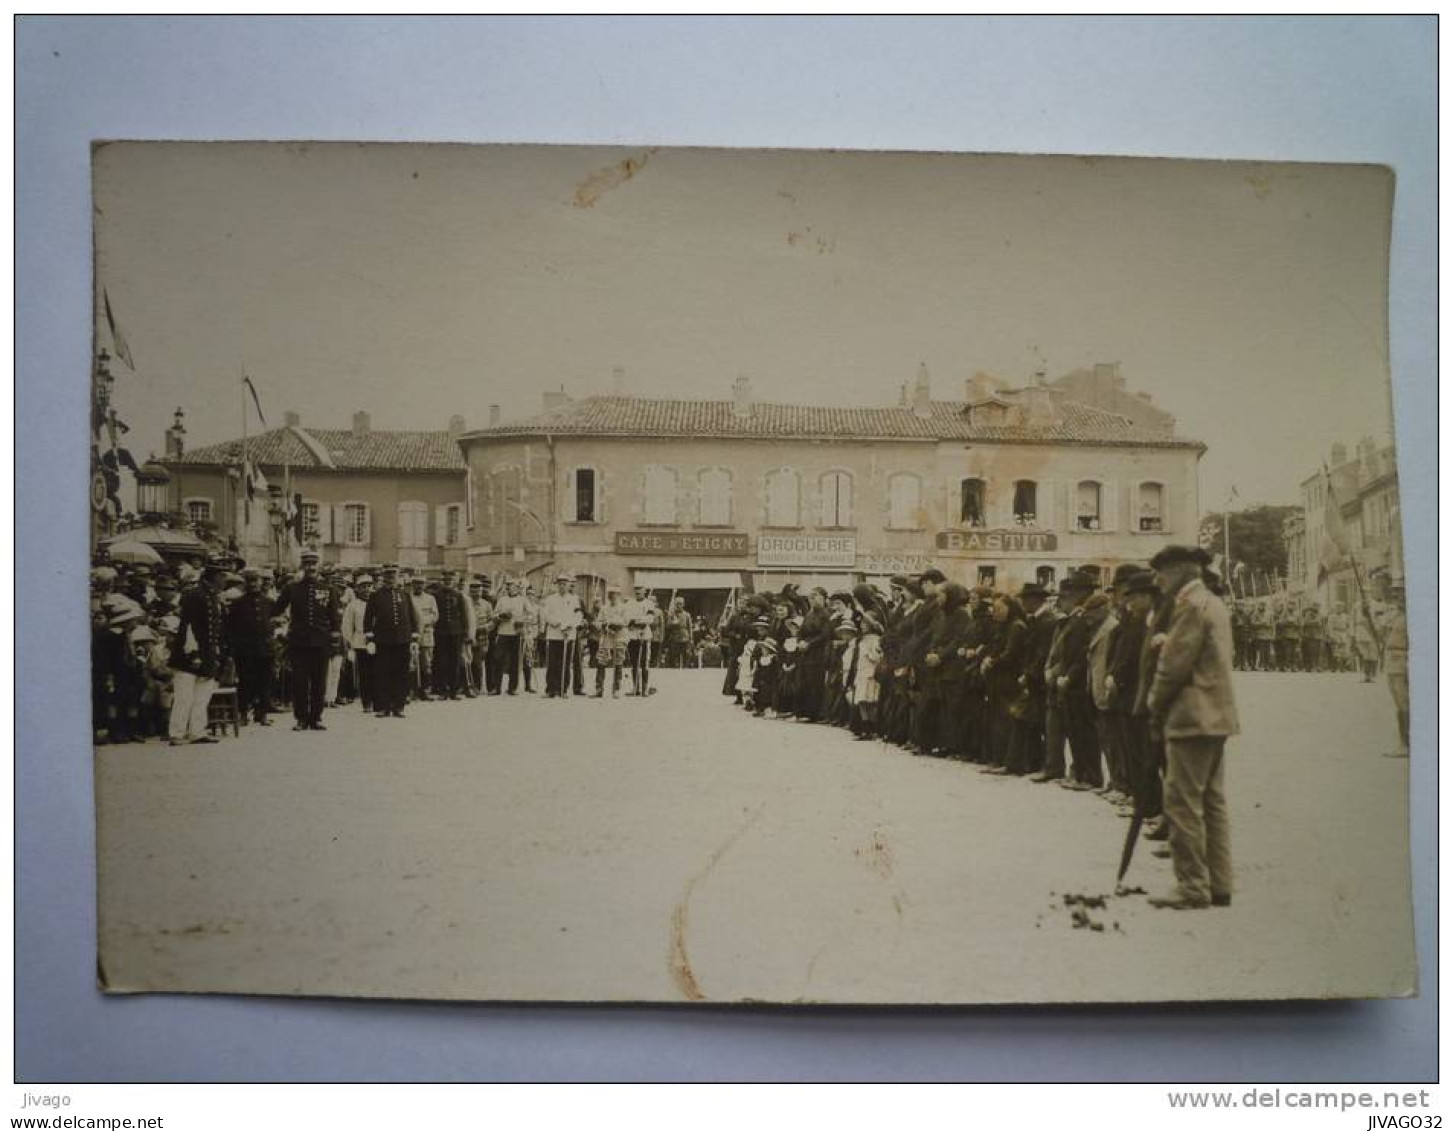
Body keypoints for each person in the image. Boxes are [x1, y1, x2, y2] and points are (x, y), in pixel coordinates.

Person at [1145, 544, 1240, 910]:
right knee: (1212, 803)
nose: (1158, 580)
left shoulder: (1189, 607)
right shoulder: (1213, 604)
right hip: (1217, 715)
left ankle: (1191, 887)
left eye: (1162, 572)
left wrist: (1154, 705)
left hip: (1191, 716)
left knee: (1181, 803)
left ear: (1183, 571)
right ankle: (1219, 883)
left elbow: (1173, 667)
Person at [274, 549, 342, 731]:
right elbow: (276, 609)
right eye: (307, 564)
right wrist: (279, 628)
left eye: (313, 564)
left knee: (320, 681)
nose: (311, 567)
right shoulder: (292, 588)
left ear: (318, 566)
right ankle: (301, 718)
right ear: (302, 565)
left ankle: (317, 717)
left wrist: (335, 634)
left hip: (321, 642)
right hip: (299, 642)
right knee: (299, 682)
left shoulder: (328, 589)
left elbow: (335, 616)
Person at [169, 556, 227, 745]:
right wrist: (193, 652)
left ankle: (197, 731)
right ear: (212, 576)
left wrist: (215, 653)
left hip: (207, 652)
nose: (224, 580)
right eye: (221, 575)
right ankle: (176, 733)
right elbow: (189, 627)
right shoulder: (194, 595)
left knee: (202, 696)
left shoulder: (212, 597)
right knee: (184, 696)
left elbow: (215, 630)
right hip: (189, 652)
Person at [363, 564, 418, 718]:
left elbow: (412, 617)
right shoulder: (376, 595)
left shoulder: (405, 594)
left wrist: (414, 637)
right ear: (383, 577)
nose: (390, 578)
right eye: (387, 575)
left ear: (397, 576)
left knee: (401, 674)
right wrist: (370, 638)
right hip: (383, 640)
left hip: (402, 640)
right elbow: (368, 618)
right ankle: (382, 707)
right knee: (382, 674)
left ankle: (398, 707)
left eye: (393, 575)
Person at [228, 567, 277, 726]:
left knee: (265, 682)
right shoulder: (237, 604)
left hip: (265, 648)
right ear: (245, 583)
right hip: (245, 649)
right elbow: (231, 628)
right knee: (245, 682)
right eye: (250, 581)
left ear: (261, 581)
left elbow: (274, 622)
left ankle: (261, 713)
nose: (253, 584)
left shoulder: (269, 602)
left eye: (256, 580)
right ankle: (243, 713)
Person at [432, 569, 469, 700]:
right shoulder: (435, 595)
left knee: (455, 661)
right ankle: (443, 690)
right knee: (441, 661)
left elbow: (463, 615)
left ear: (453, 581)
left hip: (456, 632)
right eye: (445, 580)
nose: (447, 582)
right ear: (442, 581)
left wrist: (465, 632)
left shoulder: (458, 596)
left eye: (450, 580)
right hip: (440, 633)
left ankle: (454, 690)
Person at [542, 573, 581, 698]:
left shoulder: (574, 599)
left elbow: (578, 616)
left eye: (564, 584)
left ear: (568, 585)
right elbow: (546, 615)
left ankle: (563, 689)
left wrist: (570, 626)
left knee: (565, 663)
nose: (562, 586)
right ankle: (550, 690)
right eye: (560, 584)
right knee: (552, 663)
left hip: (568, 636)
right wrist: (557, 623)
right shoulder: (550, 599)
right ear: (556, 585)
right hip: (554, 634)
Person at [1382, 585, 1409, 755]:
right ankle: (1403, 742)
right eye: (1396, 595)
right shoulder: (1397, 615)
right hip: (1392, 658)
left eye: (1400, 595)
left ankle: (1406, 744)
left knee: (1404, 702)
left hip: (1402, 658)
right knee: (1398, 702)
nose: (1397, 598)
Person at [490, 578, 529, 695]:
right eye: (509, 586)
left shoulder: (523, 600)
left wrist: (522, 621)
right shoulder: (502, 600)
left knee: (515, 661)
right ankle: (496, 688)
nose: (510, 588)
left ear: (517, 587)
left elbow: (532, 614)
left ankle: (513, 687)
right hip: (503, 633)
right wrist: (501, 616)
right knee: (498, 659)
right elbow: (494, 614)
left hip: (517, 634)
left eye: (512, 585)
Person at [341, 574, 374, 712]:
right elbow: (347, 626)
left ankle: (378, 700)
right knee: (365, 673)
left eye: (369, 586)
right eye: (363, 587)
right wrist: (349, 643)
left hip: (377, 641)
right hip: (360, 642)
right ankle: (366, 702)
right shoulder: (353, 606)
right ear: (357, 589)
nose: (366, 589)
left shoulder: (376, 601)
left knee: (378, 672)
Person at [593, 585, 629, 697]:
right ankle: (599, 689)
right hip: (607, 637)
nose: (612, 596)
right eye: (610, 594)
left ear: (619, 595)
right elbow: (598, 622)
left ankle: (616, 689)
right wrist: (602, 625)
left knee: (618, 663)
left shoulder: (624, 608)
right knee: (601, 662)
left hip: (619, 637)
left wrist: (614, 622)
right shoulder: (604, 608)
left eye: (615, 594)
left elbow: (625, 621)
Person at [408, 575, 439, 701]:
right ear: (412, 584)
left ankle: (425, 690)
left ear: (424, 584)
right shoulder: (408, 598)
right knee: (411, 663)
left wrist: (423, 622)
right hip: (411, 635)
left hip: (426, 634)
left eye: (421, 583)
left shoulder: (430, 599)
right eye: (416, 583)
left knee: (426, 664)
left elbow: (435, 616)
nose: (418, 586)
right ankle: (411, 690)